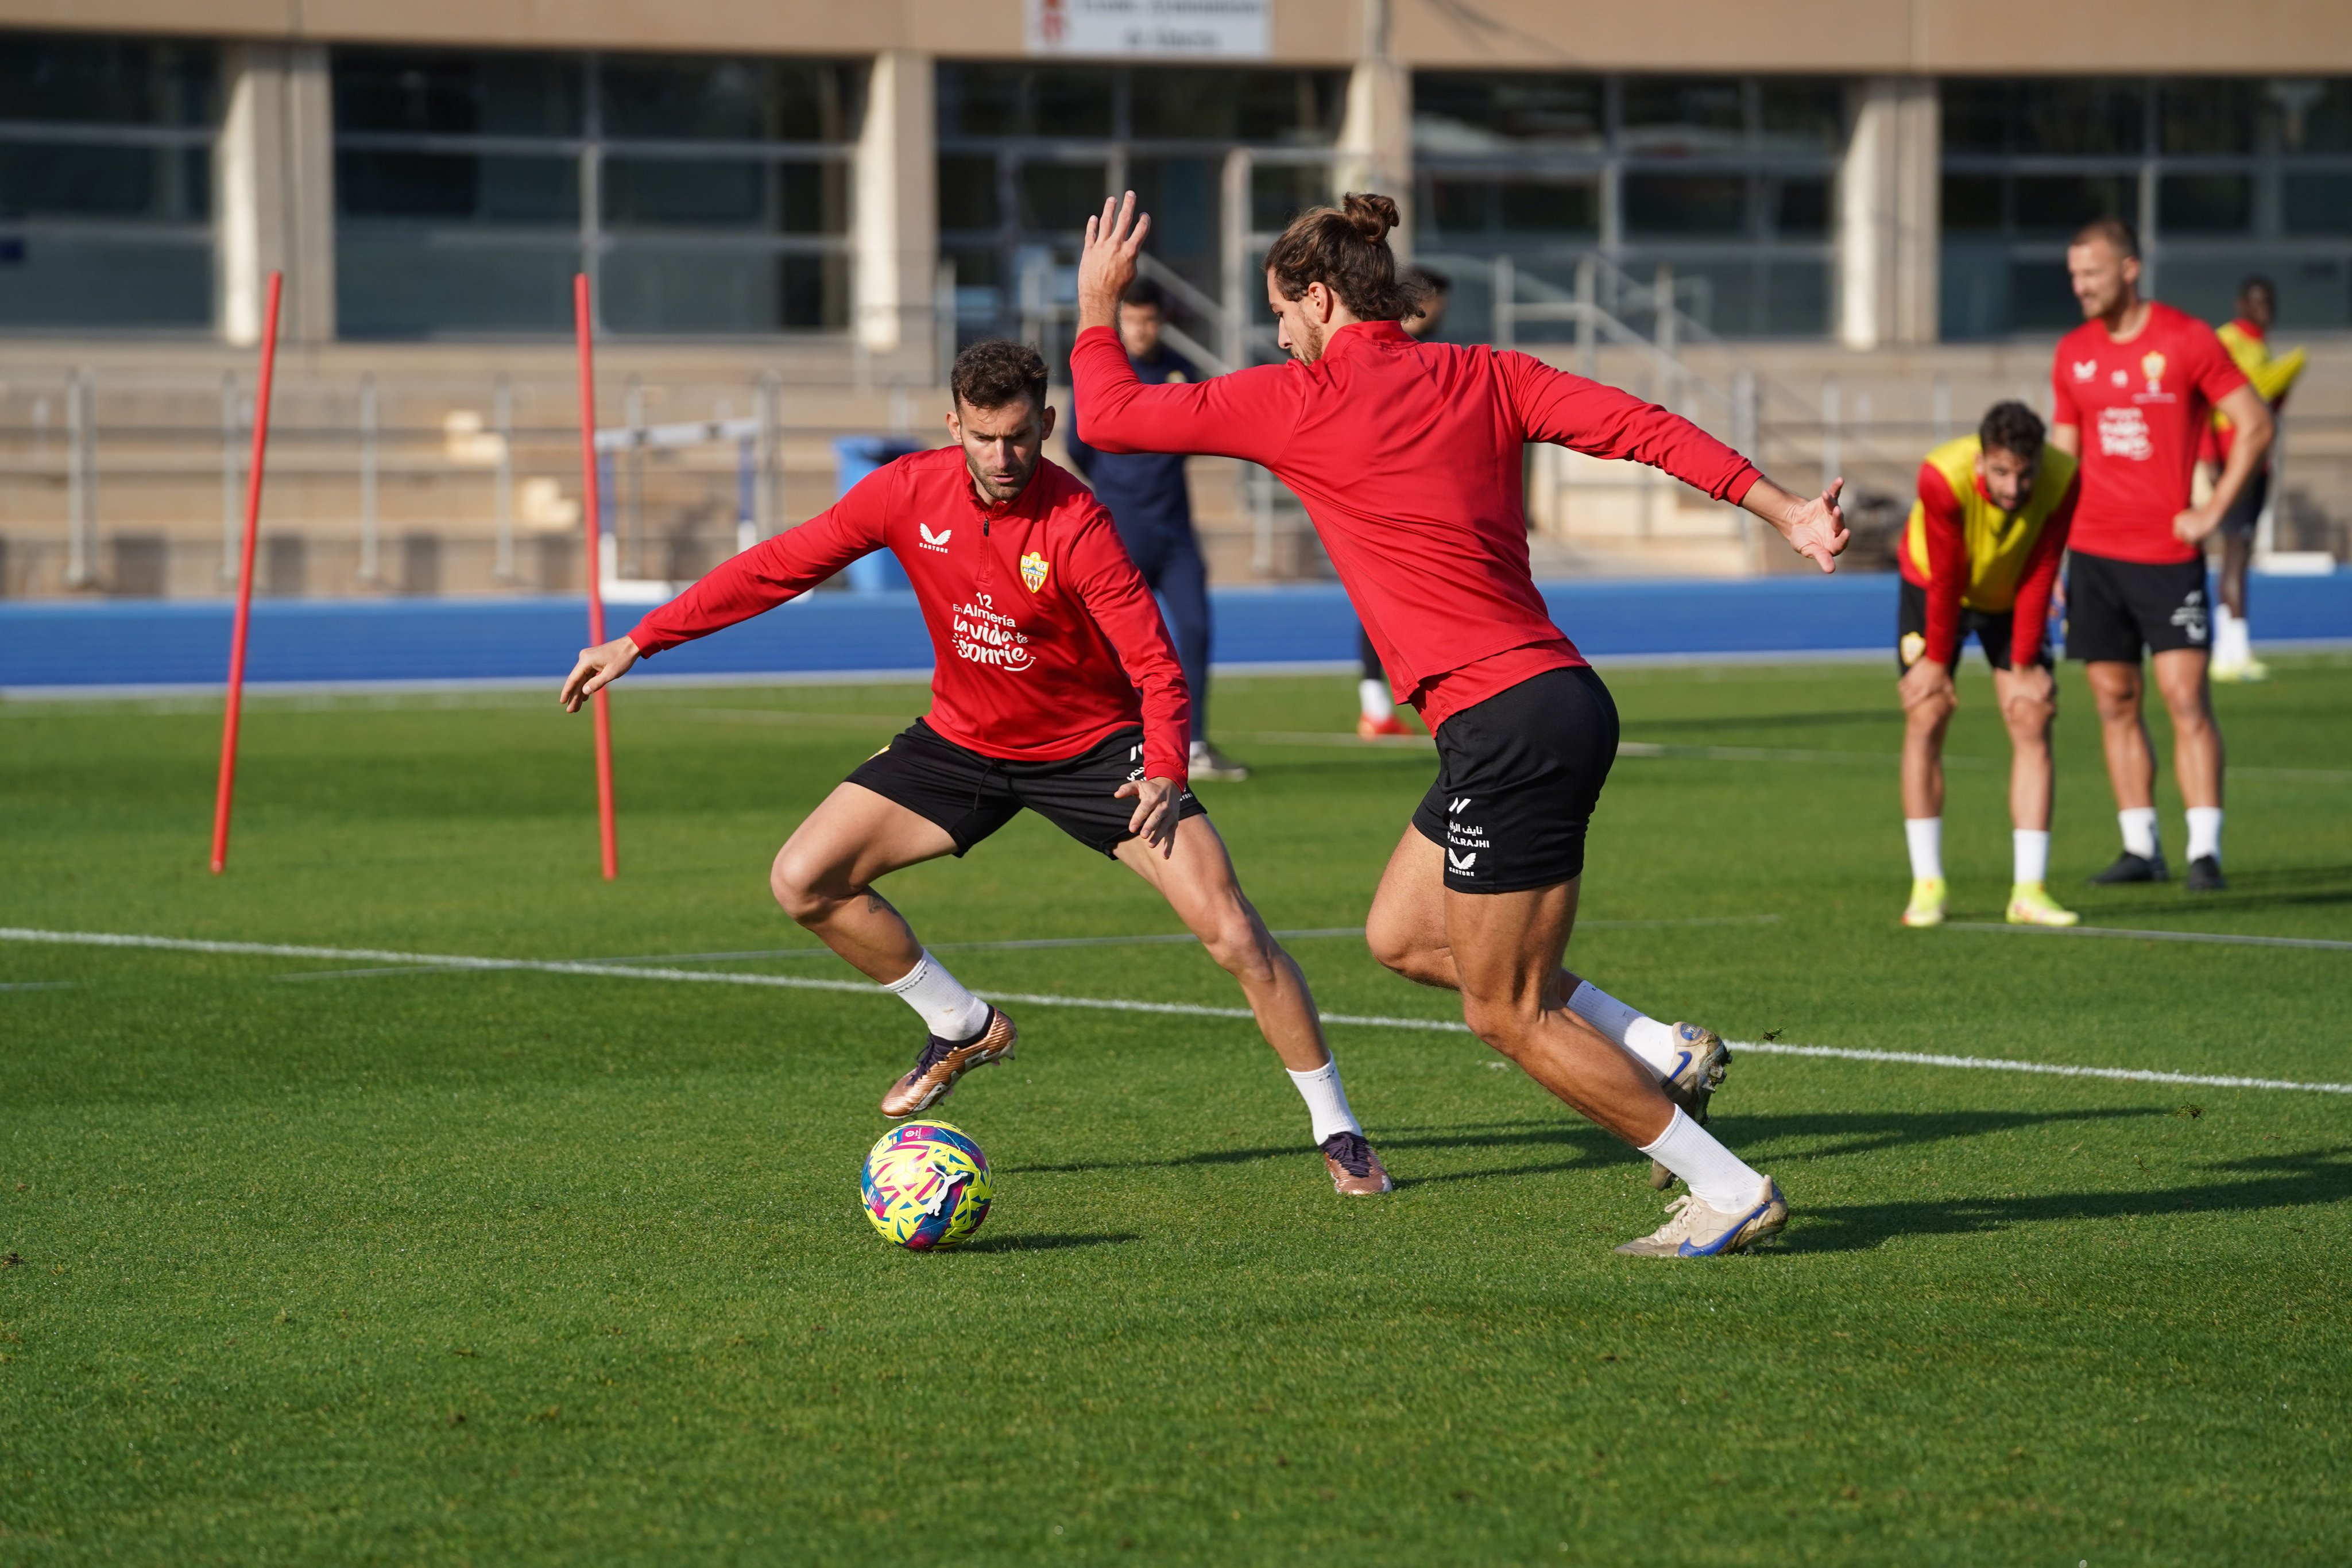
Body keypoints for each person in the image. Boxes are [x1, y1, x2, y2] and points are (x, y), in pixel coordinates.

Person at [1073, 191, 1851, 1257]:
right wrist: (1787, 511)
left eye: (1282, 314)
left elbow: (1110, 415)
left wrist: (1094, 305)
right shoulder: (1486, 372)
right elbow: (1643, 428)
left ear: (1317, 298)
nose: (1279, 335)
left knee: (1505, 1012)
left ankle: (1725, 1188)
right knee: (1400, 935)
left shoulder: (1289, 401)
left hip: (1506, 725)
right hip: (1551, 702)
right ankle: (1656, 1045)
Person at [559, 340, 1393, 1198]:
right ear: (953, 424)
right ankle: (959, 1023)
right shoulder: (904, 491)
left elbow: (1156, 664)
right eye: (986, 437)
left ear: (1049, 425)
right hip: (962, 741)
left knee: (1233, 932)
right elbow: (779, 565)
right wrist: (639, 638)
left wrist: (1166, 768)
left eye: (1023, 437)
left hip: (1097, 752)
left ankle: (1341, 1131)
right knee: (804, 878)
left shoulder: (1079, 524)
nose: (1004, 458)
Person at [2050, 218, 2273, 893]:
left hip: (2166, 553)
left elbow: (2255, 424)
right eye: (2072, 276)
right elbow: (2062, 460)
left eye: (2089, 273)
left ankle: (2204, 849)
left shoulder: (2186, 339)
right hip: (2091, 553)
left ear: (2128, 270)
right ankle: (2139, 845)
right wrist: (2050, 557)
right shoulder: (2072, 354)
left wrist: (2211, 511)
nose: (2079, 287)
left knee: (2184, 698)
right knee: (2115, 701)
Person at [1895, 401, 2080, 930]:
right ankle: (1928, 885)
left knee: (2031, 714)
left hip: (2013, 591)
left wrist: (2024, 663)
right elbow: (1950, 572)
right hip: (1934, 585)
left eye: (2025, 474)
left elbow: (2045, 561)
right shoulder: (1942, 476)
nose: (2014, 487)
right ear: (1981, 462)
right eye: (2001, 472)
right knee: (1927, 711)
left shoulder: (2065, 477)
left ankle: (2030, 888)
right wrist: (1935, 659)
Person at [1063, 278, 1250, 781]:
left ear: (1161, 321)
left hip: (1176, 534)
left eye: (1150, 319)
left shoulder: (1179, 369)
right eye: (1133, 319)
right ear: (1120, 321)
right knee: (1112, 645)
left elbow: (1193, 432)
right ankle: (1106, 743)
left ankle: (1195, 743)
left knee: (1194, 629)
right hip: (1120, 535)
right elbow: (1078, 446)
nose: (1143, 329)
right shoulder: (1102, 372)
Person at [1353, 265, 1452, 741]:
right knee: (1385, 606)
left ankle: (1385, 708)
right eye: (1439, 302)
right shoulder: (1387, 353)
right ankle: (1378, 707)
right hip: (1389, 499)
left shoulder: (1432, 352)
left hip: (1418, 495)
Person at [2199, 276, 2307, 684]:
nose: (2266, 309)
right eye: (2258, 301)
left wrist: (2286, 382)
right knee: (2236, 550)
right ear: (2241, 302)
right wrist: (2210, 457)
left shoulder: (2260, 347)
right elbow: (2206, 400)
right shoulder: (2226, 340)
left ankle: (2228, 649)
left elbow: (2267, 408)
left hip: (2257, 459)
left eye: (2270, 302)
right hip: (2234, 459)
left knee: (2237, 551)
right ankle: (2236, 648)